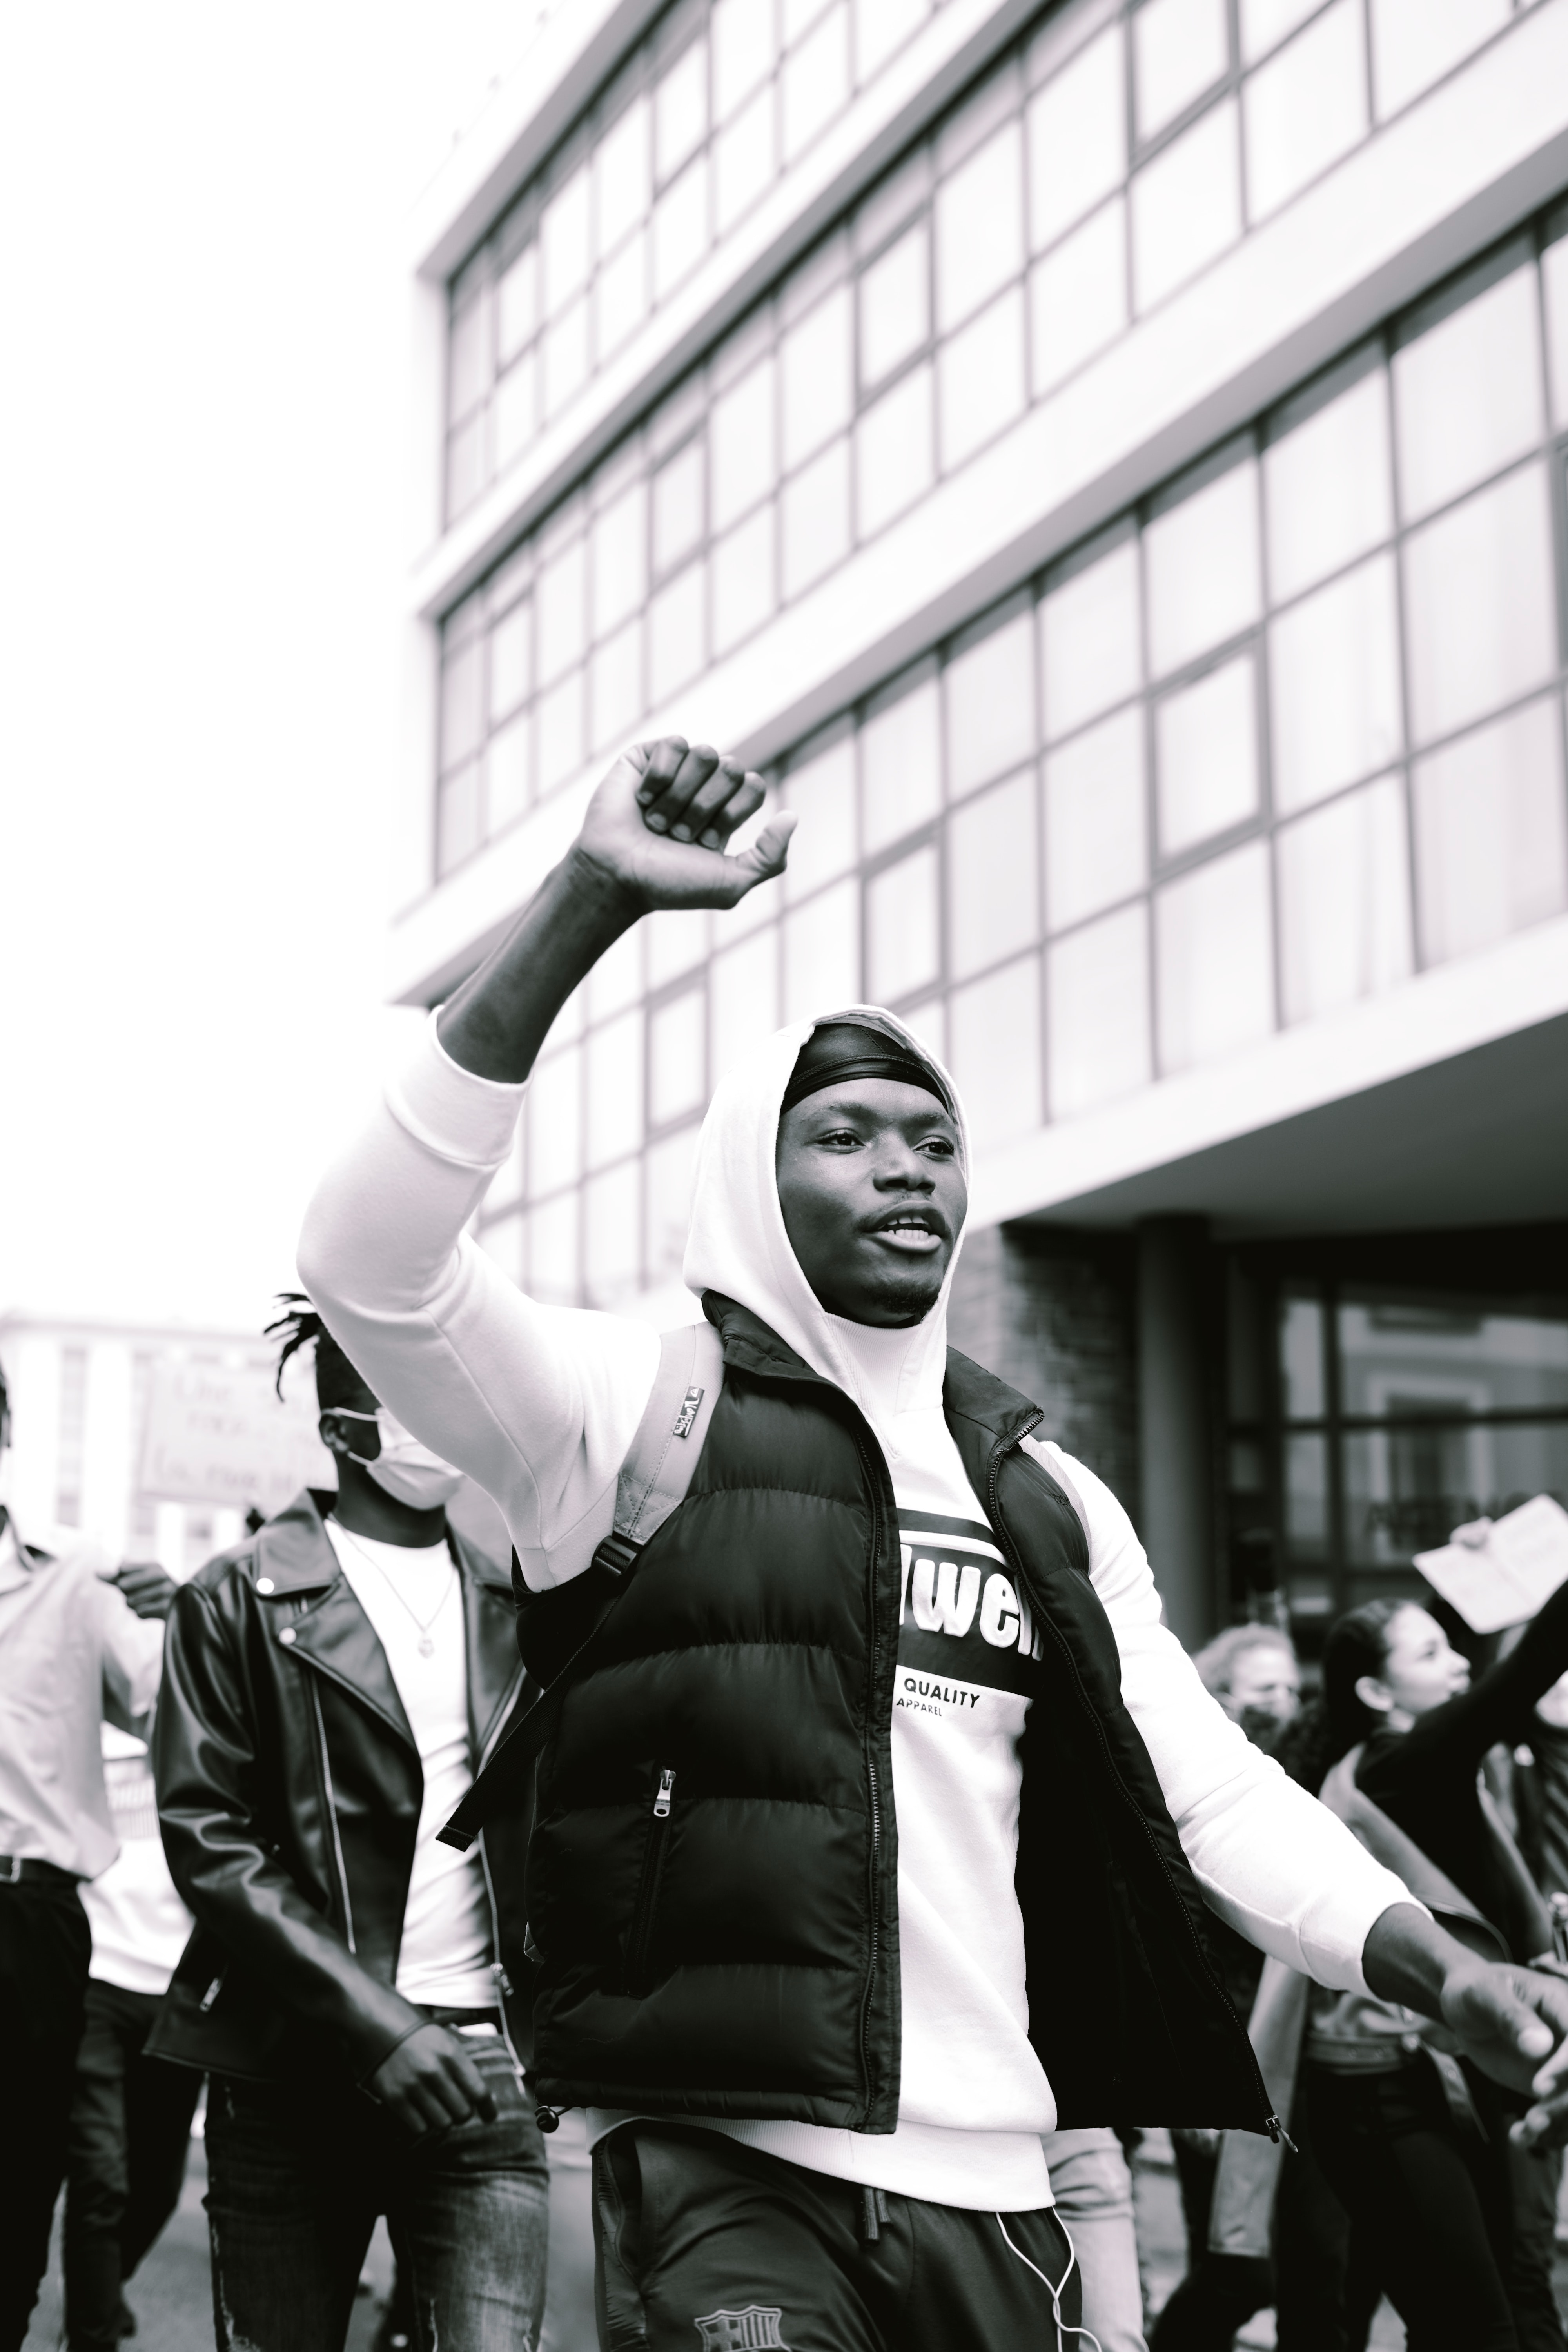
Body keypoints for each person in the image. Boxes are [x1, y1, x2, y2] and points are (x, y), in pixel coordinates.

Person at [299, 735, 1568, 2352]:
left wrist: (1440, 1973)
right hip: (718, 2174)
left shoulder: (1044, 1489)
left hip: (1007, 2182)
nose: (904, 1164)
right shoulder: (626, 1406)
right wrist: (592, 900)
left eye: (932, 1138)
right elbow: (368, 1261)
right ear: (748, 1186)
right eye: (843, 1133)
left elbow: (1208, 1786)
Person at [148, 1301, 548, 2352]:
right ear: (343, 1433)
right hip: (293, 2073)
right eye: (409, 1398)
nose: (442, 1419)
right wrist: (379, 2025)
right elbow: (210, 1842)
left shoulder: (516, 1601)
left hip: (481, 2068)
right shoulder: (235, 1598)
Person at [1283, 1590, 1568, 2352]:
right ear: (1374, 1694)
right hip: (1388, 2088)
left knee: (1456, 2314)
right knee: (1479, 2328)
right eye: (1430, 1653)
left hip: (1431, 2077)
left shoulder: (1394, 1768)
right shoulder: (1401, 1766)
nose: (1458, 1666)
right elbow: (1525, 1673)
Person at [0, 1359, 169, 2352]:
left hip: (28, 1924)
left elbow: (179, 1713)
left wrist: (195, 1607)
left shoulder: (74, 1580)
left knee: (23, 2171)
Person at [63, 1704, 201, 2349]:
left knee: (157, 2187)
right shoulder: (74, 1728)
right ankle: (90, 2334)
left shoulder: (203, 1730)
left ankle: (103, 2293)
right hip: (91, 1982)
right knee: (101, 2178)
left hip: (179, 1992)